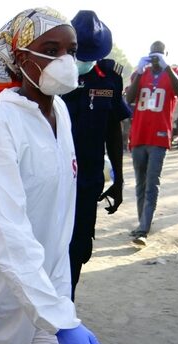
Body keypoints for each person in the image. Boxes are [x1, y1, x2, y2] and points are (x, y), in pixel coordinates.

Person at [0, 7, 110, 344]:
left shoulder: (60, 111)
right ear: (22, 57)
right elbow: (9, 233)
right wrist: (59, 319)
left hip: (52, 283)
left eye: (71, 51)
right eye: (52, 49)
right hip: (0, 291)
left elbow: (57, 215)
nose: (66, 61)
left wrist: (59, 307)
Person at [62, 10, 132, 299]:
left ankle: (66, 309)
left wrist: (119, 178)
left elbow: (113, 131)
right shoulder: (53, 75)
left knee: (78, 248)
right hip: (50, 180)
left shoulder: (109, 79)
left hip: (88, 182)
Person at [126, 41, 178, 246]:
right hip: (139, 137)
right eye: (153, 55)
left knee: (152, 183)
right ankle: (142, 223)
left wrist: (167, 67)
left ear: (166, 55)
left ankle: (143, 229)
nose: (156, 59)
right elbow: (129, 98)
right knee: (140, 184)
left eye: (160, 55)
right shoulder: (141, 73)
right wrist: (138, 71)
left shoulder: (174, 73)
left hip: (159, 138)